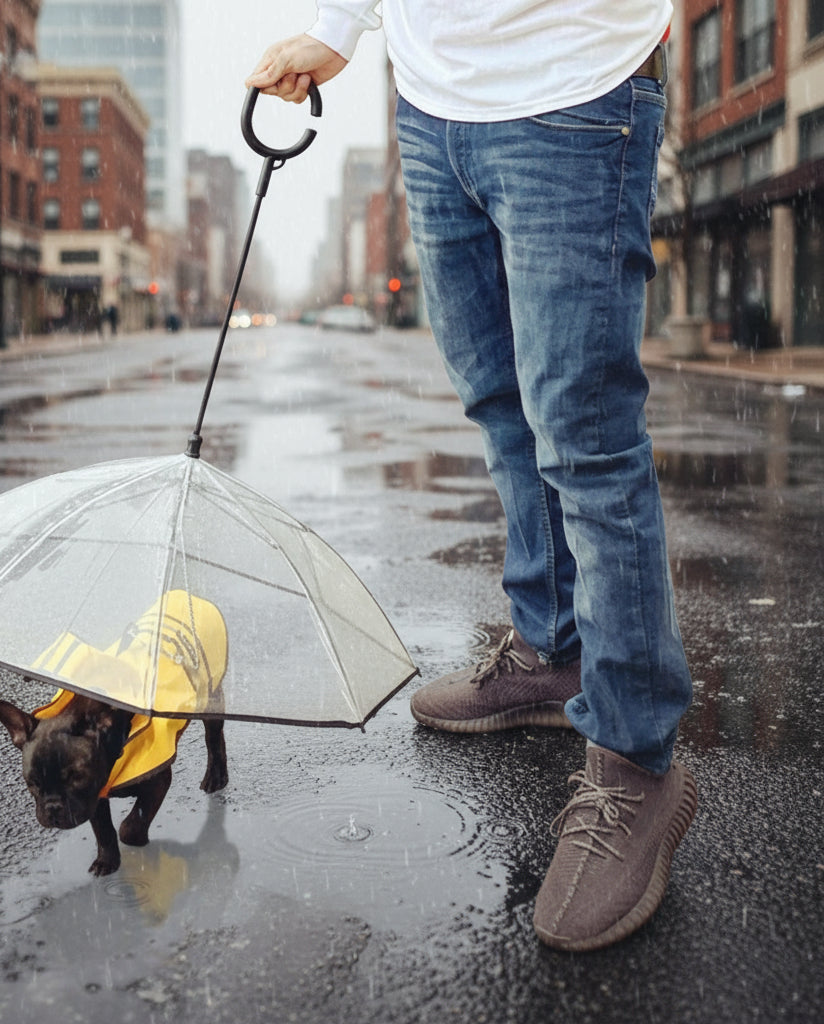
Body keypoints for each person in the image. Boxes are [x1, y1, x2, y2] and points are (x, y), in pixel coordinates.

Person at [248, 0, 696, 952]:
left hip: (574, 85)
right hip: (432, 107)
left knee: (586, 438)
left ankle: (637, 757)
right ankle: (552, 650)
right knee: (500, 404)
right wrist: (340, 25)